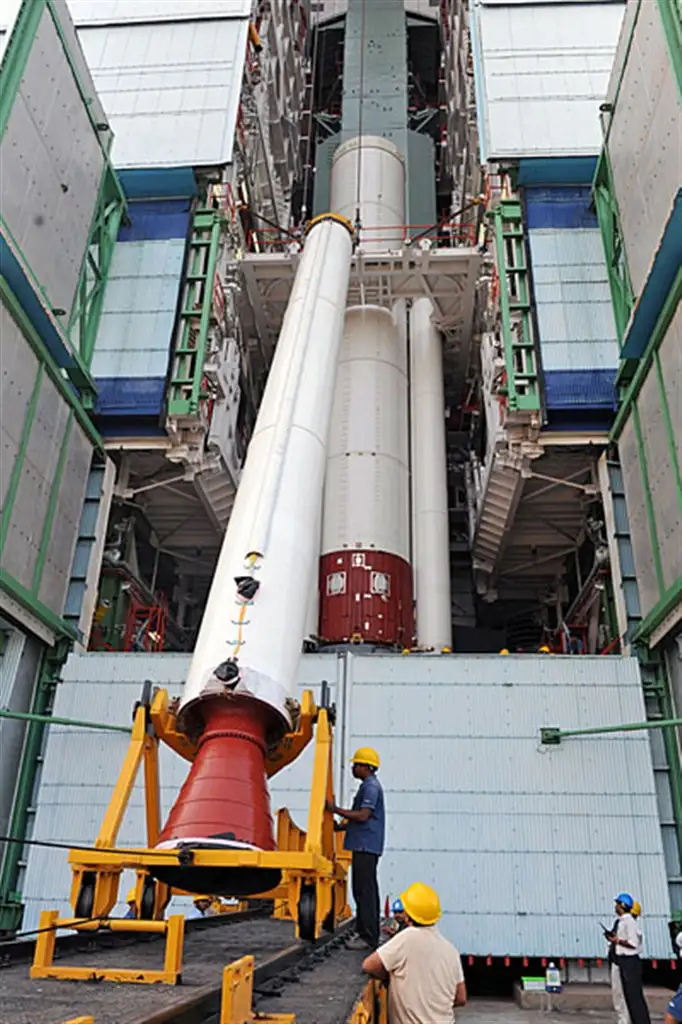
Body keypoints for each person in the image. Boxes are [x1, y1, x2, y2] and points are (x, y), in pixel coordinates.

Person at [362, 882, 466, 1024]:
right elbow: (461, 998)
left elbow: (369, 965)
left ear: (408, 915)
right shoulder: (451, 950)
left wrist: (389, 978)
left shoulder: (407, 938)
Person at [326, 746, 385, 951]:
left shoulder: (371, 788)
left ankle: (367, 937)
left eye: (356, 764)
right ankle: (367, 933)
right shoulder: (368, 786)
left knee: (364, 891)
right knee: (363, 890)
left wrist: (335, 809)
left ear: (365, 767)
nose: (353, 767)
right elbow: (359, 817)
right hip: (365, 845)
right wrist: (340, 826)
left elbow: (363, 816)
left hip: (365, 846)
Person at [605, 892, 651, 1024]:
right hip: (621, 960)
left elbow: (633, 943)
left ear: (623, 906)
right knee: (623, 994)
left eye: (618, 904)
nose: (616, 907)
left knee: (632, 996)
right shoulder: (622, 922)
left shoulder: (629, 922)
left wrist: (617, 940)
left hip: (628, 962)